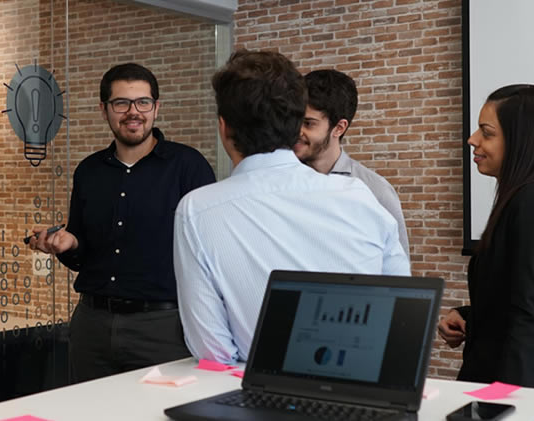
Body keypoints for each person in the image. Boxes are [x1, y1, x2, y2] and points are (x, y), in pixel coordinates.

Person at [173, 50, 410, 364]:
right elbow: (401, 312)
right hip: (357, 381)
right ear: (295, 123)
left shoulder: (197, 211)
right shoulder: (360, 196)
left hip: (253, 386)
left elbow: (213, 351)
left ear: (224, 127)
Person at [29, 63, 216, 383]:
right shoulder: (89, 171)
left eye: (143, 102)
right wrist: (68, 244)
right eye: (121, 103)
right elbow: (83, 253)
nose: (133, 112)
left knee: (159, 408)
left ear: (156, 108)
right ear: (104, 110)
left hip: (163, 327)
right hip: (92, 326)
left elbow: (210, 250)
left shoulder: (188, 166)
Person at [438, 84, 534, 388]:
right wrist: (467, 316)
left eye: (486, 133)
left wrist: (509, 402)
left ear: (522, 140)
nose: (472, 139)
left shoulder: (533, 200)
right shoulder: (521, 199)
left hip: (509, 391)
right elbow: (515, 297)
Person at [294, 69, 409, 256]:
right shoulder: (281, 182)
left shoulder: (376, 191)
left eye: (308, 123)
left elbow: (398, 266)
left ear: (339, 128)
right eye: (295, 120)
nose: (296, 131)